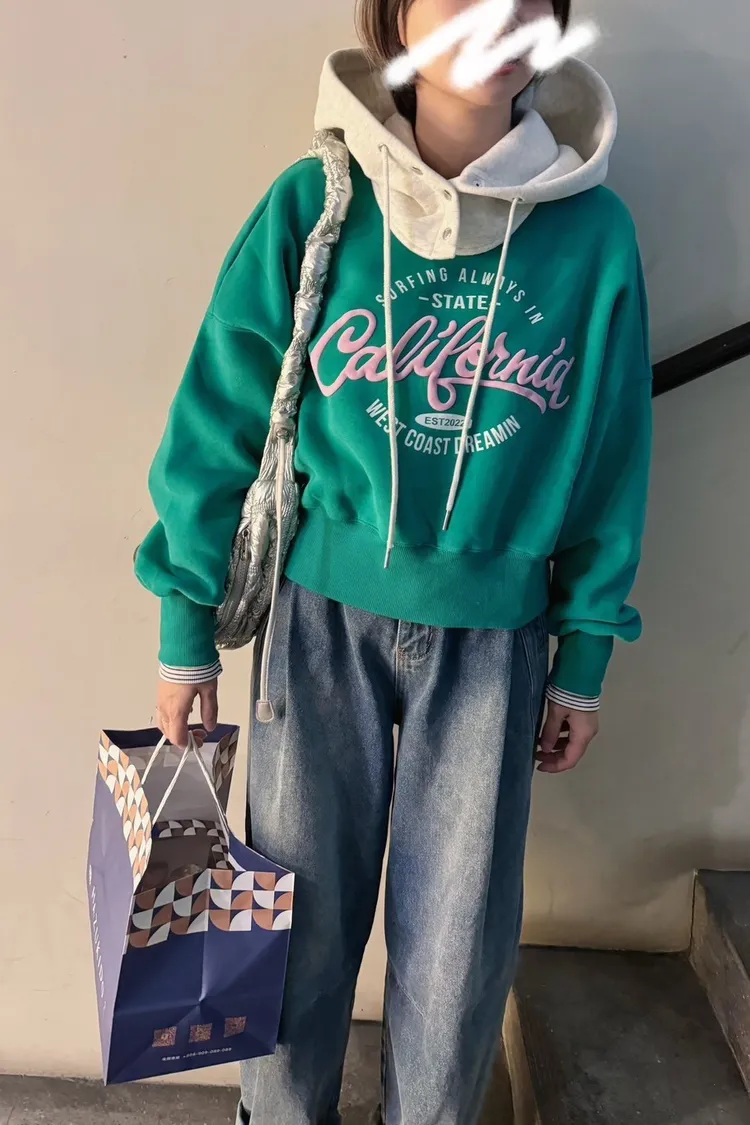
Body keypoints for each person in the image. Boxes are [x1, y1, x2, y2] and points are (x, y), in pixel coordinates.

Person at [135, 0, 652, 1121]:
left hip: (497, 637)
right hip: (318, 618)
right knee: (294, 926)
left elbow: (611, 454)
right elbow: (218, 420)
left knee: (459, 953)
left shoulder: (594, 235)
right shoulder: (315, 204)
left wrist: (585, 654)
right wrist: (186, 630)